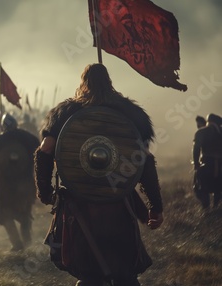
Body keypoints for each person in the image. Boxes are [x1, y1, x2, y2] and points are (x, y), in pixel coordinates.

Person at [35, 63, 163, 286]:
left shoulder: (65, 113)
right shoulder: (129, 113)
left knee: (89, 270)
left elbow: (45, 149)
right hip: (118, 201)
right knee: (123, 271)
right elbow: (144, 159)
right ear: (109, 81)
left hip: (80, 203)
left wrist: (45, 192)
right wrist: (155, 206)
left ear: (83, 82)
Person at [0, 113, 40, 251]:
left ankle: (17, 244)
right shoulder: (29, 138)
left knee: (6, 215)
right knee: (25, 215)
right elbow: (39, 154)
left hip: (5, 184)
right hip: (26, 182)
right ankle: (27, 243)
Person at [192, 113, 222, 210]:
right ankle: (216, 207)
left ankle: (207, 208)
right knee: (219, 188)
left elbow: (196, 149)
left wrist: (196, 164)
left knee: (201, 187)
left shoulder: (201, 132)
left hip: (206, 164)